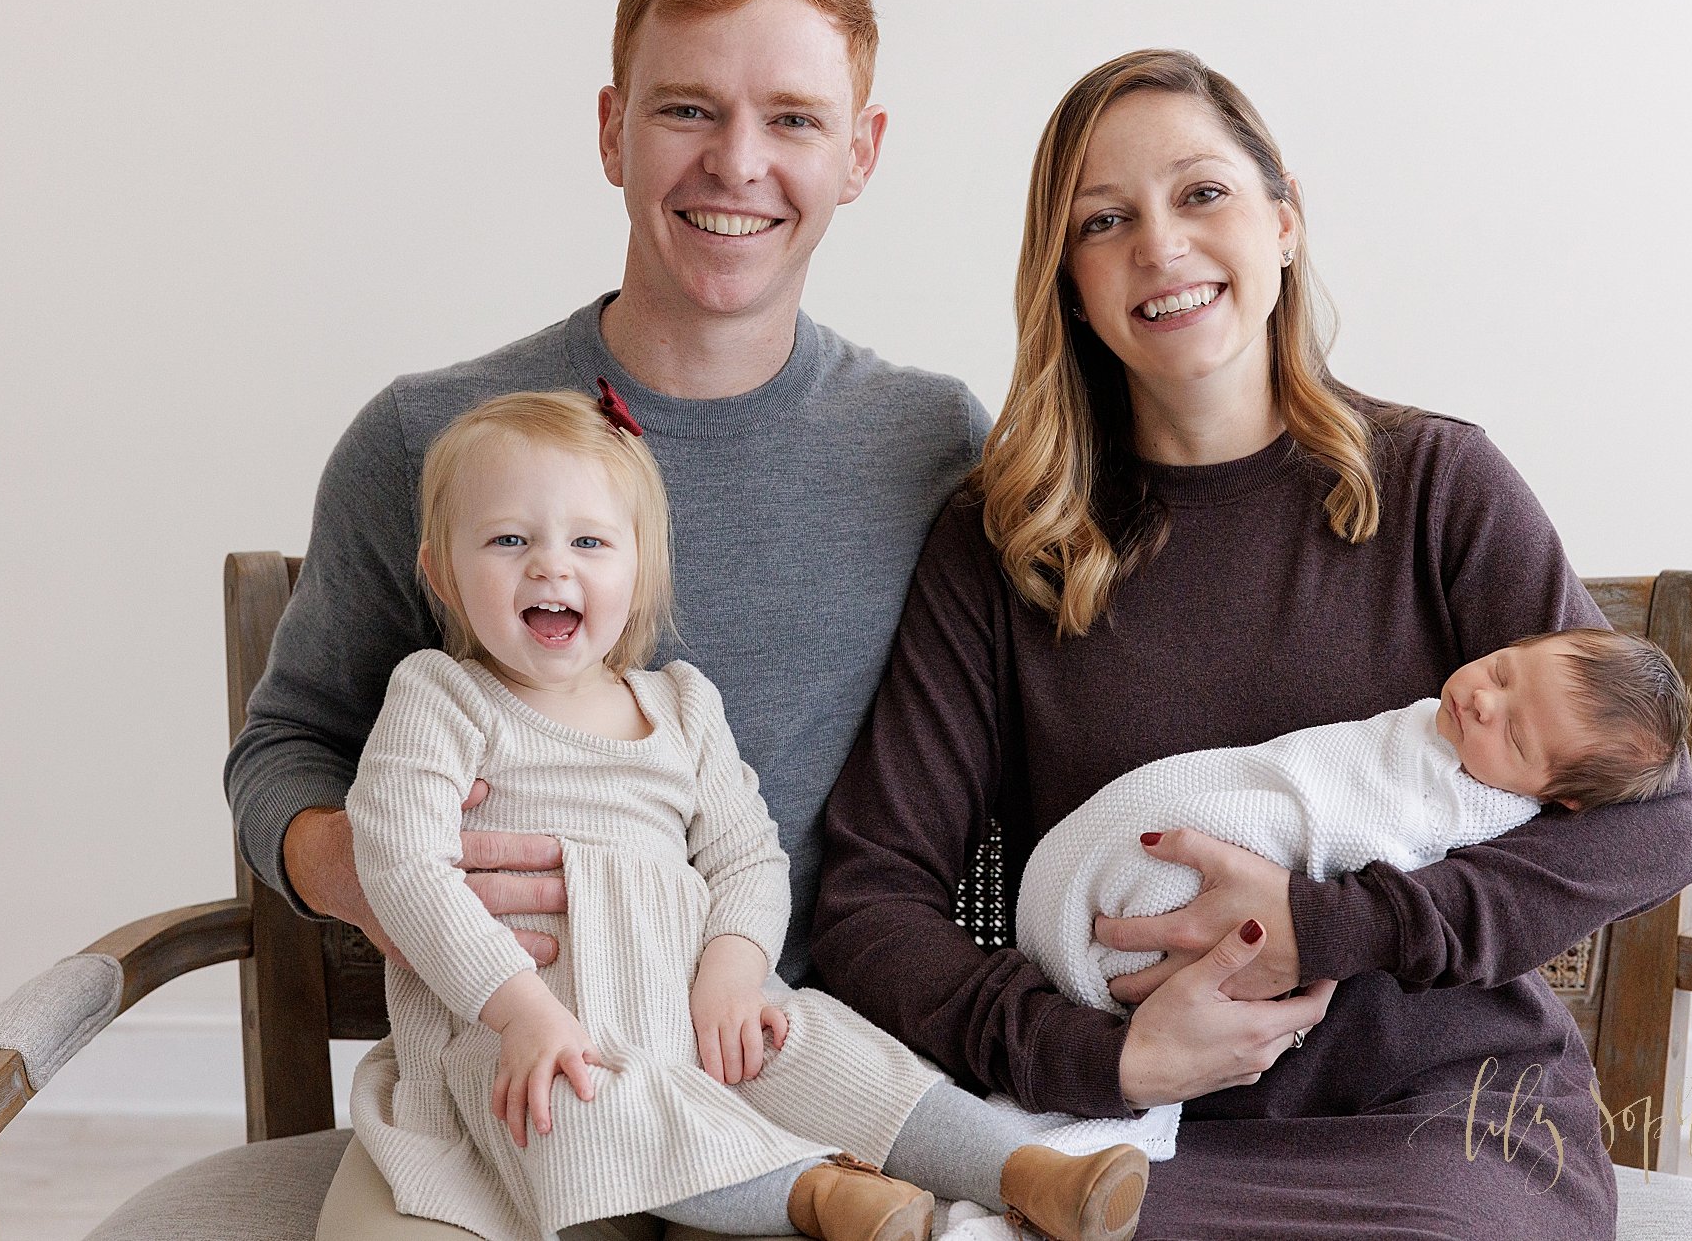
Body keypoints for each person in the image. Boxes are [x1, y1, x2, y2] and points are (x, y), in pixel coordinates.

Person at [813, 50, 1692, 1239]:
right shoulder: (1000, 548)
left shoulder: (1438, 486)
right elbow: (870, 901)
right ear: (1068, 284)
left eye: (1201, 194)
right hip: (1117, 1144)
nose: (1160, 246)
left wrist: (1326, 925)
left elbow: (1655, 823)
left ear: (1282, 223)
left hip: (1444, 1124)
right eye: (1103, 219)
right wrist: (1099, 1056)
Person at [220, 0, 988, 1238]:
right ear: (611, 130)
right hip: (503, 1089)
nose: (736, 163)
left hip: (777, 1076)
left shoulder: (932, 446)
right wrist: (390, 876)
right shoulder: (429, 437)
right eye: (687, 107)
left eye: (794, 119)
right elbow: (283, 750)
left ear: (859, 154)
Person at [346, 390, 1147, 1241]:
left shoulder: (681, 705)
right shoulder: (443, 695)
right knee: (575, 1109)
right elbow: (403, 864)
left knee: (825, 1047)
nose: (551, 566)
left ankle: (1026, 1170)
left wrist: (731, 969)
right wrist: (518, 1012)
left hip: (691, 999)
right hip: (539, 1026)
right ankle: (818, 1195)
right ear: (440, 572)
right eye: (510, 539)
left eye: (589, 541)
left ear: (639, 567)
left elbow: (745, 858)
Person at [1020, 627, 1691, 1019]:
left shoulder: (1472, 806)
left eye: (1513, 733)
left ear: (1555, 795)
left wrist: (1318, 921)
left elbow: (1369, 844)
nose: (1484, 699)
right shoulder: (1439, 725)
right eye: (1503, 670)